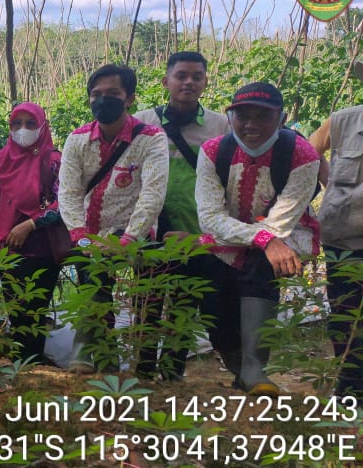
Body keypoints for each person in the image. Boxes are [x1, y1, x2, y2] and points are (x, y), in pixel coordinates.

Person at [195, 82, 321, 396]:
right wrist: (263, 238)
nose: (251, 124)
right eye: (242, 115)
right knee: (213, 298)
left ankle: (254, 368)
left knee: (259, 269)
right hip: (227, 237)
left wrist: (266, 240)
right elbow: (210, 216)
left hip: (283, 236)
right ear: (230, 116)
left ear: (281, 117)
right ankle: (238, 366)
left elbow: (282, 222)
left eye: (262, 116)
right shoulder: (213, 151)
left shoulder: (301, 154)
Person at [57, 64, 169, 373]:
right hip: (91, 234)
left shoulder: (150, 138)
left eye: (112, 94)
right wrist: (81, 236)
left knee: (146, 302)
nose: (103, 100)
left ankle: (144, 369)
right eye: (96, 94)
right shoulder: (77, 140)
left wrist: (128, 239)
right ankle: (104, 364)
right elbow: (68, 192)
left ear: (130, 98)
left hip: (138, 234)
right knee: (96, 297)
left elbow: (153, 194)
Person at [132, 51, 231, 380]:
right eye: (181, 75)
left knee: (184, 305)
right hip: (151, 230)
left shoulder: (220, 124)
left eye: (197, 76)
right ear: (166, 81)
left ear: (205, 82)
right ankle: (144, 373)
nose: (189, 82)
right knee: (147, 303)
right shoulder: (143, 121)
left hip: (196, 231)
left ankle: (172, 374)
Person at [0, 102, 67, 365]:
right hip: (7, 248)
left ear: (42, 126)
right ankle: (20, 362)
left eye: (30, 124)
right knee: (14, 309)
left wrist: (31, 224)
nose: (23, 129)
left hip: (41, 247)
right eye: (17, 124)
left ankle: (33, 363)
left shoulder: (53, 160)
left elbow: (64, 202)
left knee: (35, 309)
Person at [312, 106, 363, 398]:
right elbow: (306, 151)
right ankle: (349, 390)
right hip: (344, 240)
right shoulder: (344, 121)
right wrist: (329, 182)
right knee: (345, 314)